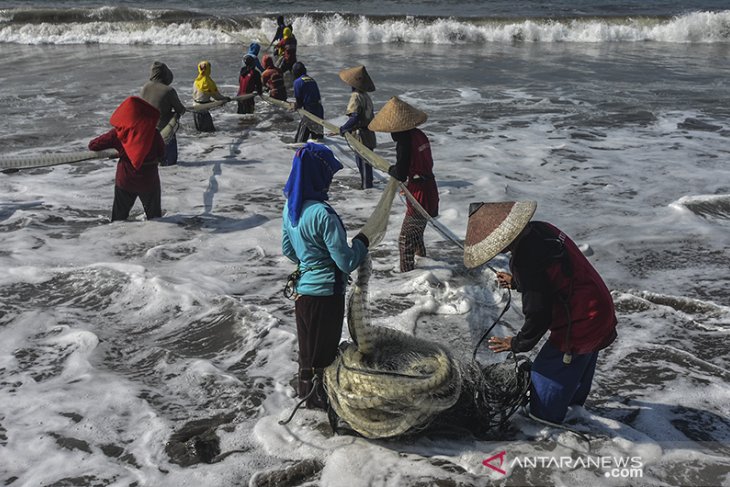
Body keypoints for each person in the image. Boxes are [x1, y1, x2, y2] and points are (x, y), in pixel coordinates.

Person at [463, 201, 618, 424]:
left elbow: (538, 313)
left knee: (544, 376)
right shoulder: (542, 229)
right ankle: (577, 414)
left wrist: (518, 343)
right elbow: (554, 272)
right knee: (576, 367)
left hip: (581, 321)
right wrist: (518, 282)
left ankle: (547, 426)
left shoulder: (525, 260)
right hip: (599, 305)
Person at [281, 142, 370, 409]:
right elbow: (345, 262)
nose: (330, 181)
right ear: (318, 176)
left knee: (307, 355)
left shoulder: (290, 209)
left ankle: (306, 402)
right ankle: (321, 408)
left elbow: (288, 250)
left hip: (303, 295)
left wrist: (310, 261)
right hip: (326, 296)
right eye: (328, 175)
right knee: (324, 357)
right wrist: (362, 244)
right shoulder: (323, 214)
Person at [368, 96, 439, 272]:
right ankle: (425, 268)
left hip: (419, 196)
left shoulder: (404, 142)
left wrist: (391, 169)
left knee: (405, 239)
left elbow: (400, 173)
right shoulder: (418, 135)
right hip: (429, 189)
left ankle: (407, 277)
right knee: (416, 235)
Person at [88, 96, 165, 222]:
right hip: (149, 181)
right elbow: (162, 154)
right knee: (156, 220)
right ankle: (160, 241)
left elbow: (93, 145)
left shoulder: (118, 134)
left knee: (118, 219)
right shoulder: (153, 133)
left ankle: (116, 241)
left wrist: (119, 150)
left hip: (126, 180)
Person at [139, 61, 186, 166]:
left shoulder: (144, 88)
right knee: (170, 162)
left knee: (153, 161)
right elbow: (180, 110)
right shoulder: (168, 90)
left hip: (147, 130)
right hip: (164, 130)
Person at [338, 65, 377, 190]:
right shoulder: (366, 96)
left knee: (363, 164)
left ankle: (367, 189)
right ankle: (368, 187)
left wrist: (344, 128)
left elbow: (355, 117)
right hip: (369, 133)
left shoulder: (356, 96)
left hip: (361, 135)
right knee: (368, 163)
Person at [192, 60, 230, 132]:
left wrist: (209, 101)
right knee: (209, 132)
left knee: (200, 132)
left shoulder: (196, 81)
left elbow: (199, 97)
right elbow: (217, 96)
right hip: (203, 109)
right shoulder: (208, 82)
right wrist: (225, 99)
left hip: (195, 108)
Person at [292, 62, 324, 143]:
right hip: (319, 111)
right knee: (318, 140)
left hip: (309, 113)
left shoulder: (297, 82)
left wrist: (295, 106)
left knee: (299, 141)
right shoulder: (312, 80)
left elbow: (299, 102)